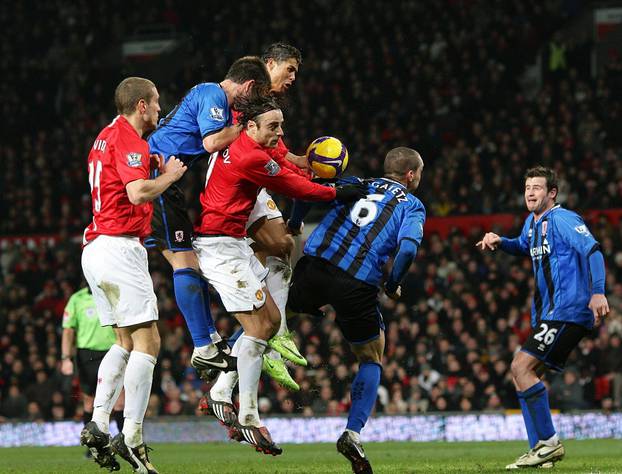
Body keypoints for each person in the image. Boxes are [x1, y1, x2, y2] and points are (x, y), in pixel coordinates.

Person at [193, 94, 367, 455]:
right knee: (260, 327)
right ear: (251, 126)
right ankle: (249, 416)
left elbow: (289, 166)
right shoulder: (250, 156)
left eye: (281, 125)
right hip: (218, 247)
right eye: (274, 126)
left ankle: (223, 391)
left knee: (270, 320)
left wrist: (306, 163)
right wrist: (336, 191)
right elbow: (295, 186)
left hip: (235, 242)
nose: (281, 132)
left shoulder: (251, 143)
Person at [286, 147, 426, 474]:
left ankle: (225, 368)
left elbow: (308, 188)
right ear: (410, 175)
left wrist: (295, 222)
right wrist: (392, 285)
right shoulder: (413, 205)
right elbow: (407, 248)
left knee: (272, 318)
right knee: (370, 355)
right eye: (419, 172)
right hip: (357, 282)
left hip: (318, 264)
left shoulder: (356, 182)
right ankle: (352, 431)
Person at [80, 77, 187, 473]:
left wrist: (150, 165)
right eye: (157, 103)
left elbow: (119, 178)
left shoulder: (104, 136)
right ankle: (133, 434)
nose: (160, 109)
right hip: (120, 245)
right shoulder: (129, 138)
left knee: (124, 341)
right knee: (149, 341)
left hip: (95, 248)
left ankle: (97, 421)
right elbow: (138, 192)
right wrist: (169, 176)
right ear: (141, 105)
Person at [145, 56, 272, 375]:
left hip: (165, 180)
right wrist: (247, 124)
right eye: (254, 98)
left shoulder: (211, 97)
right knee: (184, 262)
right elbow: (212, 141)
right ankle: (203, 345)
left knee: (188, 263)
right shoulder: (213, 95)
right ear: (248, 86)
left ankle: (210, 342)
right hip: (158, 176)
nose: (249, 107)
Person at [476, 166, 609, 470]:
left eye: (537, 187)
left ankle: (548, 444)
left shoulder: (562, 219)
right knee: (523, 376)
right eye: (527, 188)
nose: (531, 193)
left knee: (520, 366)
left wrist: (598, 292)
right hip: (549, 313)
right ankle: (539, 450)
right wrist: (500, 242)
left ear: (552, 193)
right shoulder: (531, 223)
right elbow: (523, 247)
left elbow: (593, 250)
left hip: (569, 309)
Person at [60, 286, 124, 455]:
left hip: (113, 350)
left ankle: (126, 442)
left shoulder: (111, 292)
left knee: (119, 400)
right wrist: (66, 358)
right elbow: (68, 330)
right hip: (87, 355)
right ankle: (93, 445)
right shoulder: (77, 299)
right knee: (89, 401)